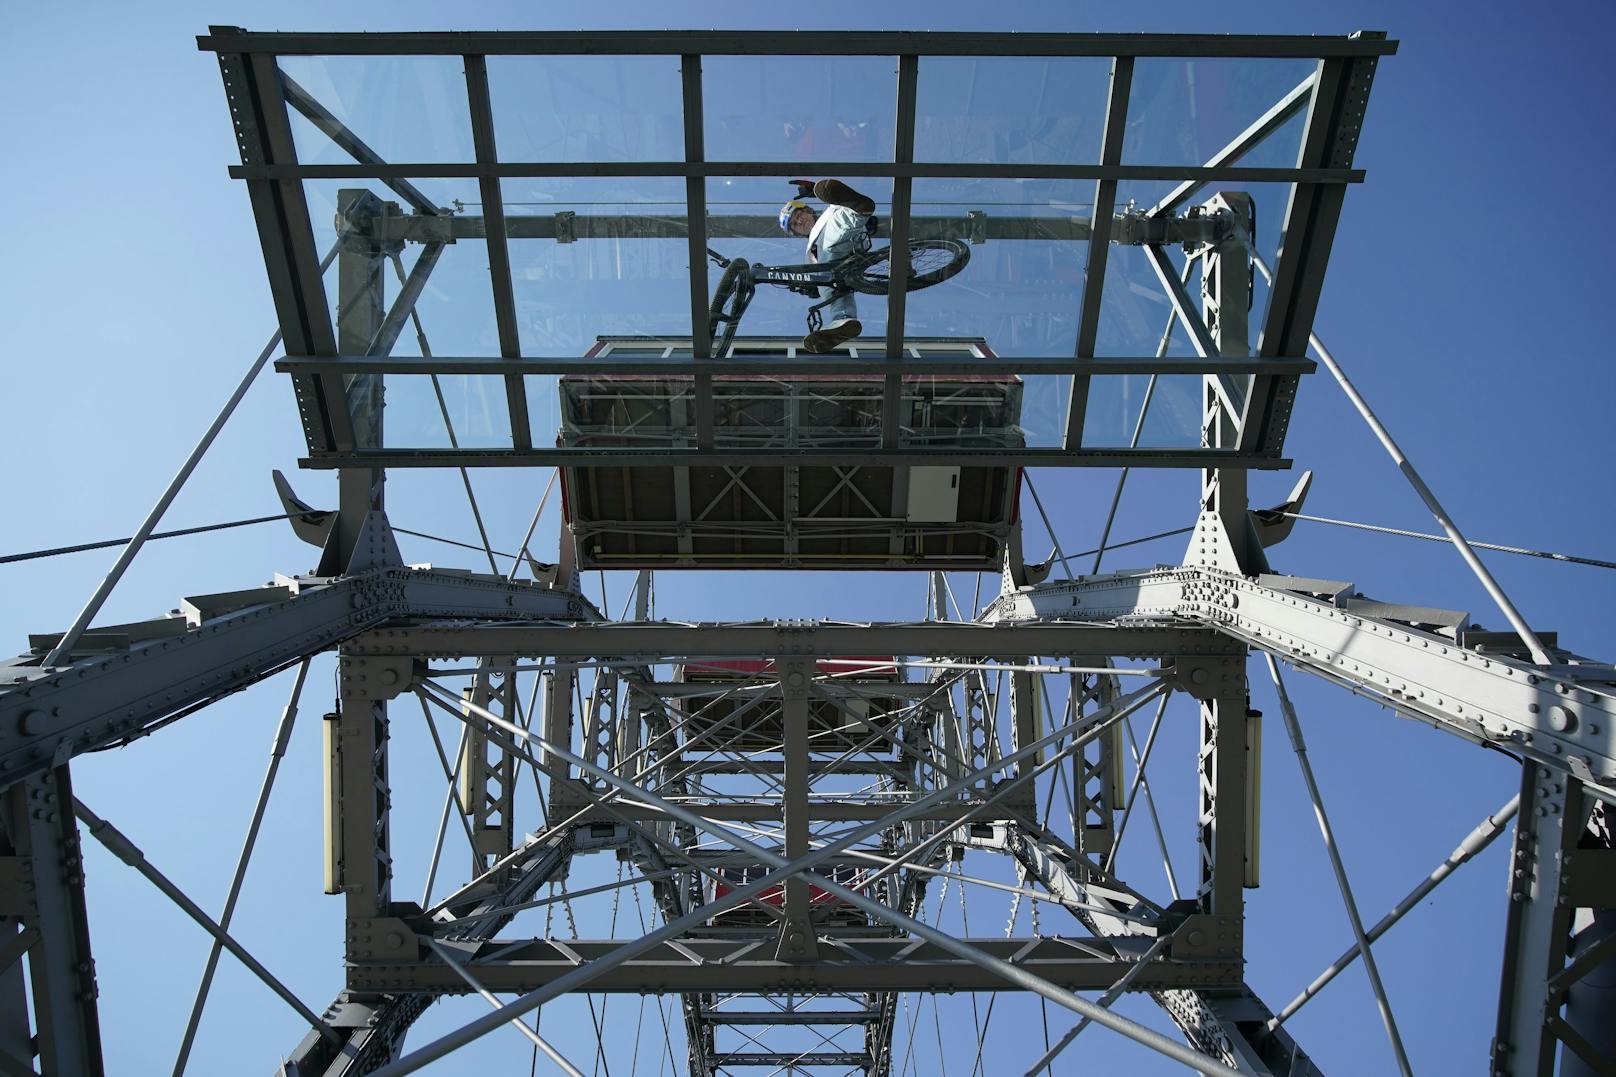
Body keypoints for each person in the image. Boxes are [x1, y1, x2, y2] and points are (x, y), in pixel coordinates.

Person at [779, 178, 878, 353]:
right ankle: (843, 323)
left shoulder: (828, 214)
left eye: (799, 215)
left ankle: (859, 209)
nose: (800, 221)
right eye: (794, 224)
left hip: (844, 239)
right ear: (795, 233)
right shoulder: (809, 254)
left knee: (832, 232)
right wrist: (811, 286)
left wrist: (817, 190)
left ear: (808, 210)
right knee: (825, 285)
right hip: (840, 267)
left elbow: (833, 193)